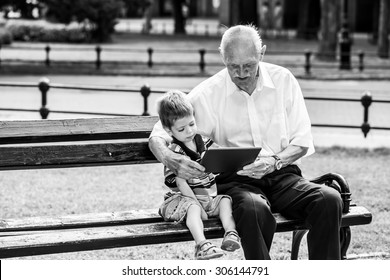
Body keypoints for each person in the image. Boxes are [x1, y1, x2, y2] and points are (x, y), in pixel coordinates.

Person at [149, 24, 343, 260]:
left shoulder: (284, 81)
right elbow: (159, 131)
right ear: (223, 58)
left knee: (329, 200)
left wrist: (274, 162)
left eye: (249, 65)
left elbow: (302, 142)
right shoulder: (209, 93)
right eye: (233, 66)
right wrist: (169, 157)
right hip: (237, 183)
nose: (241, 73)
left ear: (262, 53)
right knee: (254, 210)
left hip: (282, 173)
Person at [156, 90, 241, 260]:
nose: (189, 131)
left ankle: (231, 233)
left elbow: (218, 157)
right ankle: (202, 245)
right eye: (181, 128)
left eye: (192, 124)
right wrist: (199, 206)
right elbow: (181, 184)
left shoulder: (203, 141)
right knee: (194, 209)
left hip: (208, 199)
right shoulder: (175, 152)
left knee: (225, 201)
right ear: (168, 129)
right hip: (183, 201)